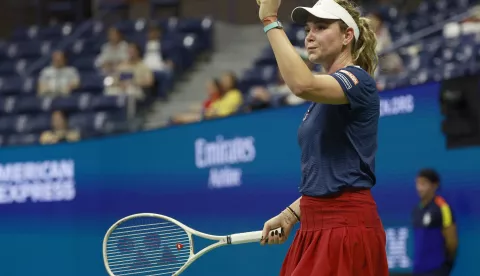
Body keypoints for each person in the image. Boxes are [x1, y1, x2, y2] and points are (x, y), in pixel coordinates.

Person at [256, 0, 389, 275]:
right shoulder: (323, 99)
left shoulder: (358, 80)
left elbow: (302, 84)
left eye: (321, 27)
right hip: (313, 227)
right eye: (307, 29)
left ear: (347, 36)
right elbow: (330, 175)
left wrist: (270, 20)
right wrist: (290, 215)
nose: (310, 35)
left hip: (346, 228)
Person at [412, 168, 458, 276]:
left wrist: (444, 265)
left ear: (434, 185)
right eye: (418, 183)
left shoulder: (443, 207)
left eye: (423, 184)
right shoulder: (417, 210)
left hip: (437, 269)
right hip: (419, 270)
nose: (419, 188)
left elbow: (452, 242)